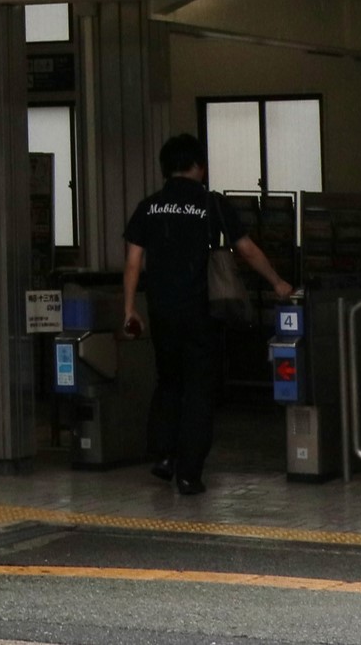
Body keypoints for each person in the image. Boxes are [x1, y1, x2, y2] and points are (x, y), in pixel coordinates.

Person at [122, 133, 292, 496]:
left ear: (165, 168)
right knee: (199, 389)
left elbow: (134, 261)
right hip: (204, 312)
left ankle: (165, 456)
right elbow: (245, 250)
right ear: (200, 166)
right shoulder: (212, 204)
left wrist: (129, 308)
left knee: (169, 382)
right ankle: (189, 473)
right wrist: (277, 281)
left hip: (163, 311)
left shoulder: (148, 206)